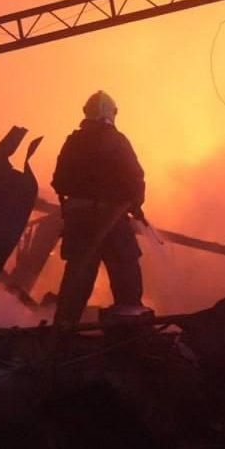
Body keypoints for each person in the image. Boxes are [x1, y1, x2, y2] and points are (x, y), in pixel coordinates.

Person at [51, 90, 147, 326]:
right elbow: (135, 178)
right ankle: (128, 336)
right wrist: (135, 203)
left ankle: (62, 334)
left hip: (79, 223)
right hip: (112, 220)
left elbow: (59, 181)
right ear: (113, 113)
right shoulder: (118, 141)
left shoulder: (73, 142)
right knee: (126, 277)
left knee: (77, 280)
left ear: (87, 112)